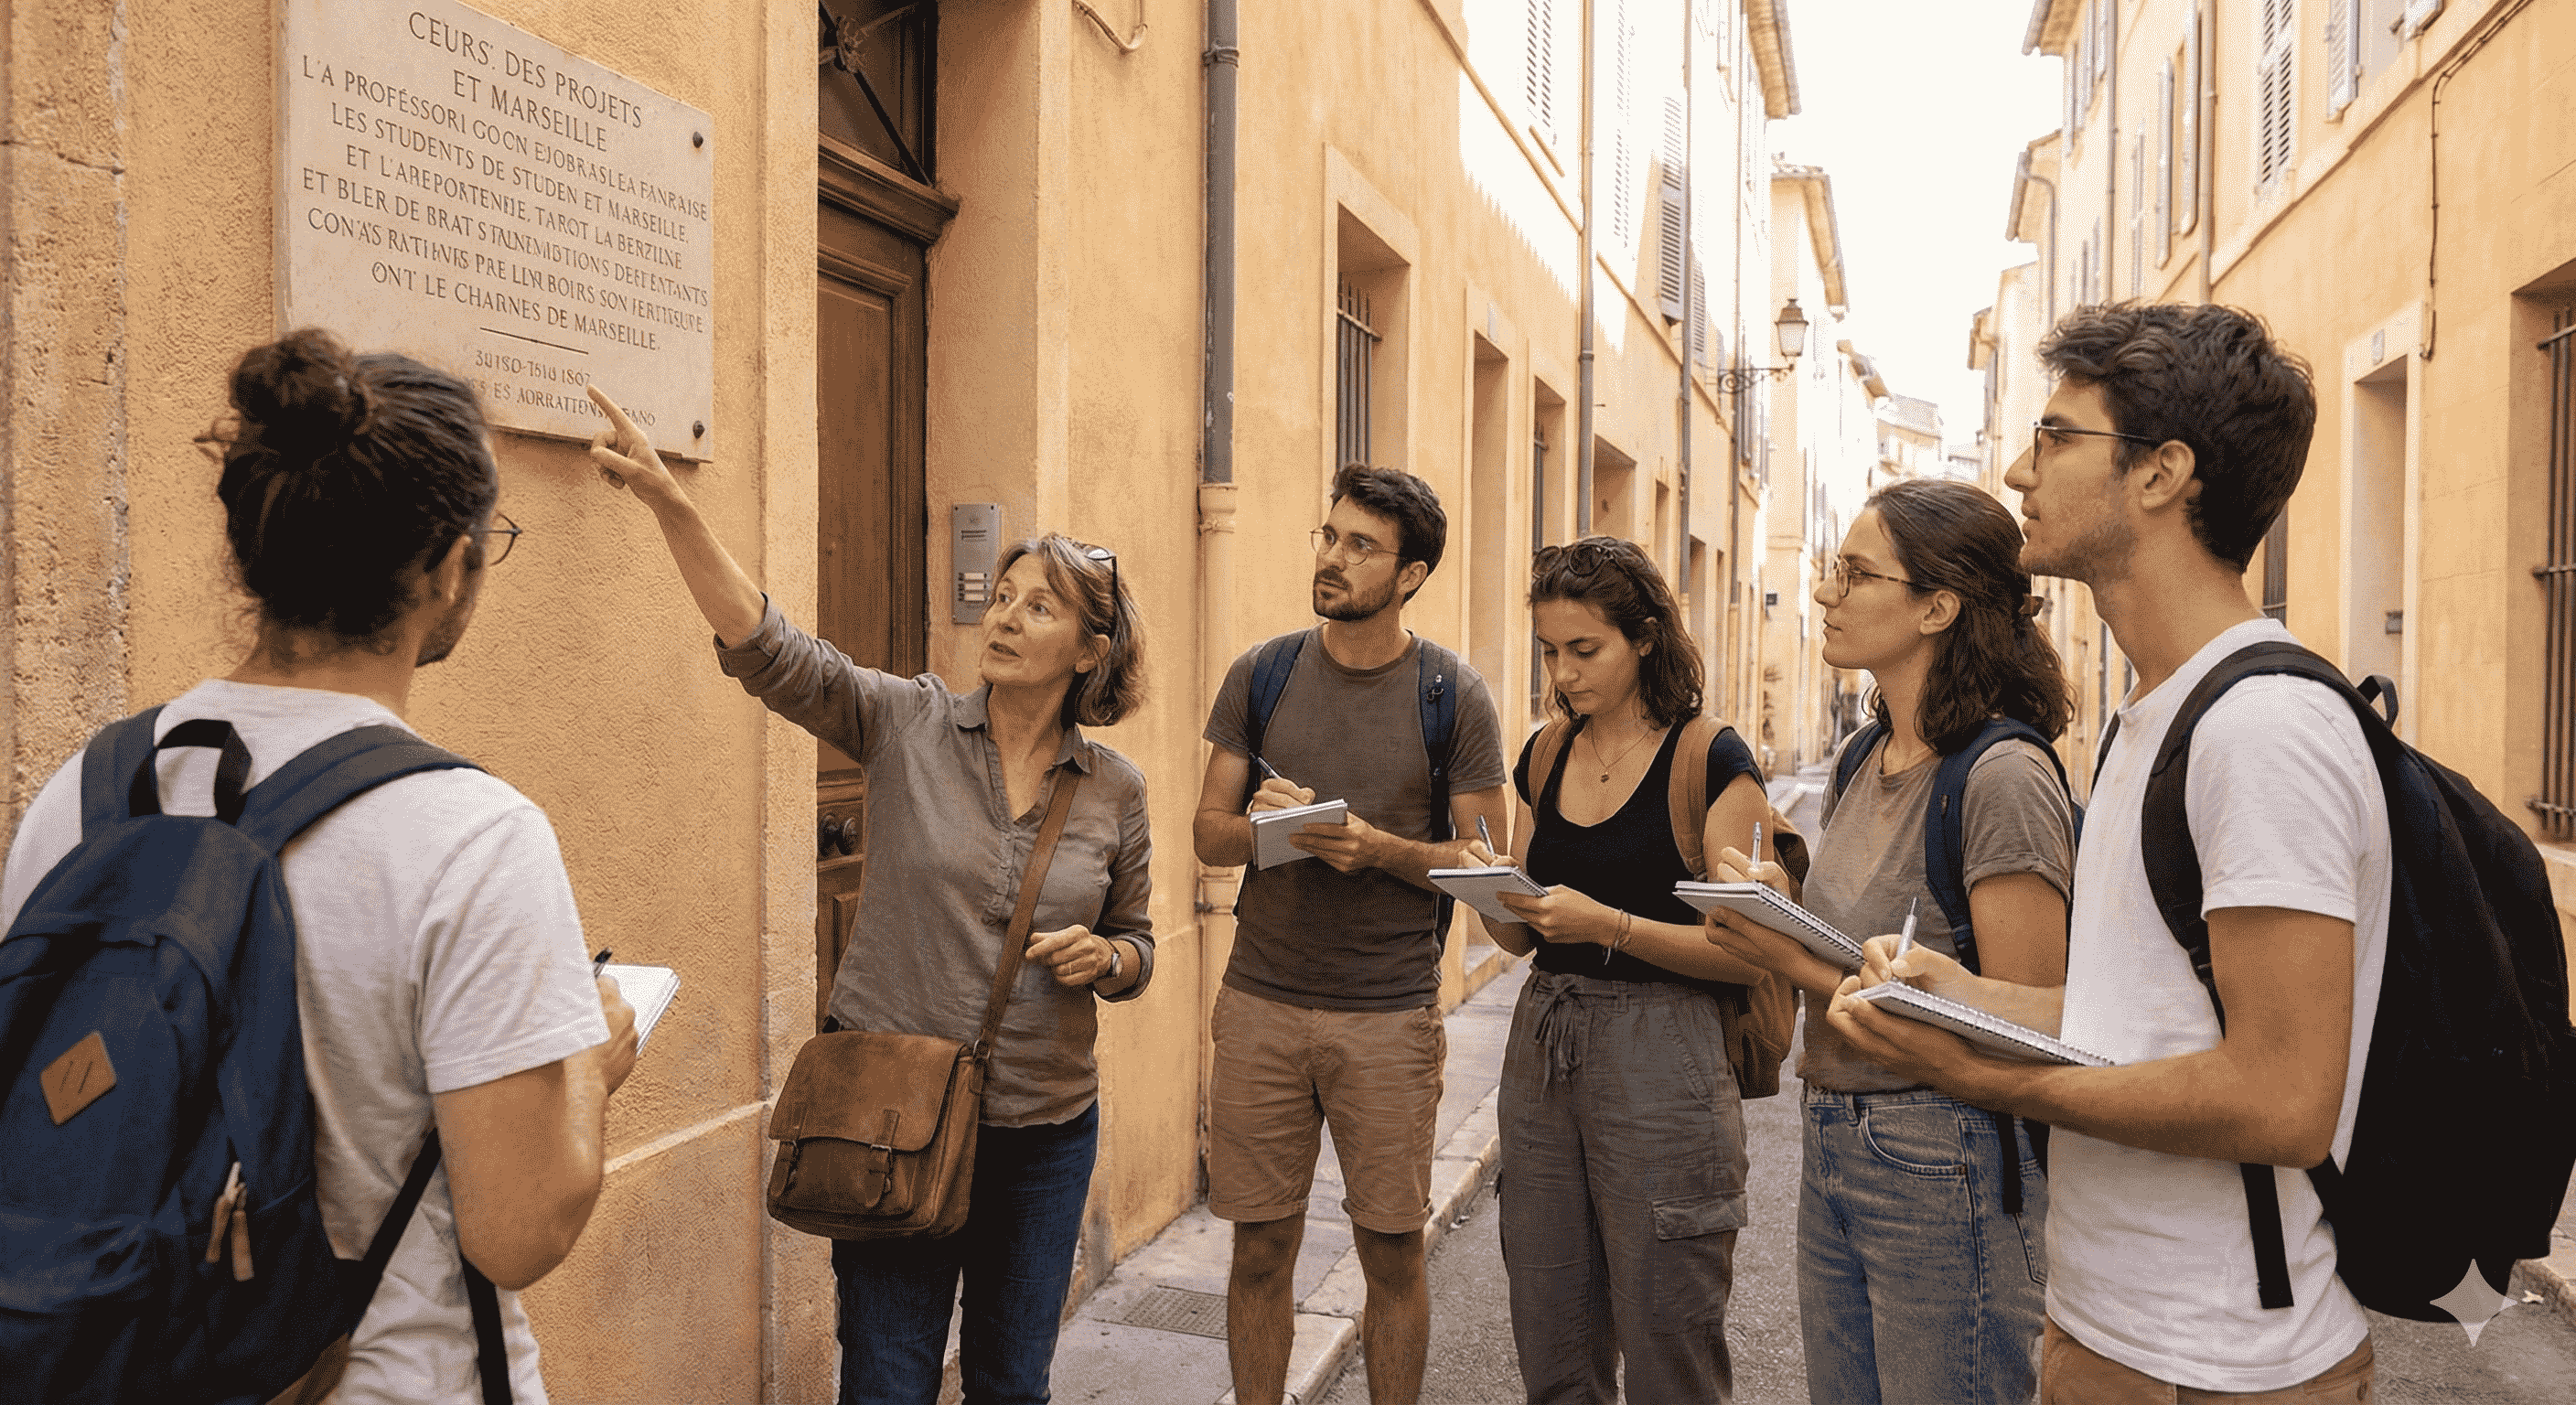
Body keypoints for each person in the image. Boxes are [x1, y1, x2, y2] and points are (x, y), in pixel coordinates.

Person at [0, 329, 638, 1402]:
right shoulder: (472, 835)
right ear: (446, 570)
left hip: (107, 1362)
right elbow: (519, 1230)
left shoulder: (84, 792)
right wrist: (591, 1067)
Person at [1830, 302, 2386, 1403]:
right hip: (2110, 1334)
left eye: (2053, 436)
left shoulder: (2258, 728)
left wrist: (1985, 1074)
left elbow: (2280, 1098)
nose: (2017, 469)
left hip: (2220, 1364)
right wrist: (1969, 998)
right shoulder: (2156, 714)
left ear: (2160, 472)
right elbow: (2144, 1023)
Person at [583, 385, 1154, 1405]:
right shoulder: (909, 724)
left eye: (1040, 605)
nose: (1006, 614)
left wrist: (1105, 958)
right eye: (1006, 592)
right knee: (886, 1383)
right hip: (894, 1115)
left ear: (1090, 651)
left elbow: (1138, 944)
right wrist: (676, 506)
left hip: (1043, 1133)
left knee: (1010, 1383)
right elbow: (773, 652)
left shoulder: (1114, 791)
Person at [1701, 479, 2075, 1403]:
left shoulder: (2002, 776)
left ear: (1936, 607)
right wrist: (1780, 902)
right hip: (1832, 1124)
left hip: (1941, 1149)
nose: (1825, 593)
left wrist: (1778, 952)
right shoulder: (1865, 755)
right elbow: (1862, 944)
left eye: (1855, 573)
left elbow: (2032, 1026)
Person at [1191, 465, 1510, 1405]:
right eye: (1327, 536)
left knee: (1391, 1252)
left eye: (1359, 545)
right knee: (1258, 1247)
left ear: (1408, 574)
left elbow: (1487, 869)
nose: (1331, 559)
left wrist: (1374, 848)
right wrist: (1266, 825)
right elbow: (1207, 833)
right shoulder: (1262, 672)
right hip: (1259, 1004)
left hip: (1388, 1017)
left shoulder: (1453, 694)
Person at [1465, 536, 1774, 1403]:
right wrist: (1488, 892)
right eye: (1550, 653)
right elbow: (1525, 941)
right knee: (1550, 1324)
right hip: (1544, 1045)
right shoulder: (1544, 754)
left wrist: (1611, 925)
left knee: (1669, 1331)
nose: (1563, 673)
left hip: (1666, 1051)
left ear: (1643, 638)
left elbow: (1745, 951)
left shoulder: (1709, 759)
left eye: (1584, 650)